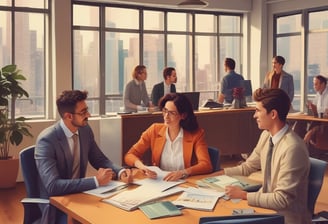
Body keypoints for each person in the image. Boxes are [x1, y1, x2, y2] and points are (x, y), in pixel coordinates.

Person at [214, 88, 311, 224]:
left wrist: (244, 195)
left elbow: (281, 199)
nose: (254, 115)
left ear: (273, 114)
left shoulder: (292, 148)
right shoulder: (267, 136)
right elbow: (248, 167)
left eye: (258, 110)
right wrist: (219, 174)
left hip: (286, 218)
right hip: (267, 209)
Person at [35, 90, 133, 224]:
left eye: (87, 110)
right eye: (83, 112)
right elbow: (53, 186)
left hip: (80, 195)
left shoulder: (84, 130)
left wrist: (120, 172)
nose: (89, 115)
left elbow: (99, 159)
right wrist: (96, 181)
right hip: (56, 204)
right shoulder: (46, 141)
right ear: (68, 116)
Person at [124, 93, 213, 181]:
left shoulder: (196, 134)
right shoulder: (154, 130)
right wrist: (143, 167)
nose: (166, 116)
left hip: (185, 183)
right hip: (161, 182)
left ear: (183, 115)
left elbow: (206, 165)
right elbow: (130, 155)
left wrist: (183, 172)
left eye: (172, 113)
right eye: (165, 111)